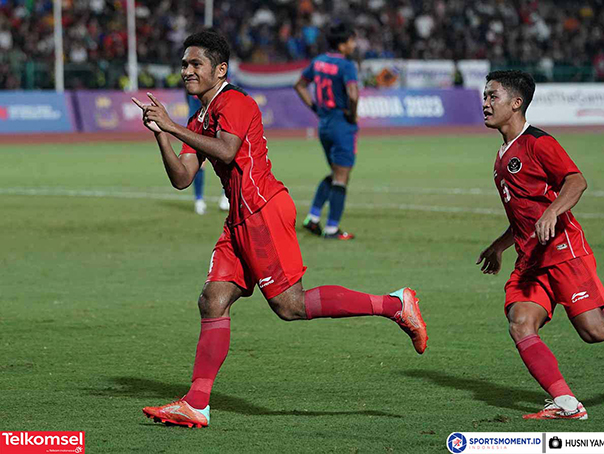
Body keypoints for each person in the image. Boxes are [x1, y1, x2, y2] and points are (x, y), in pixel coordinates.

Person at [132, 30, 427, 429]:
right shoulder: (197, 117)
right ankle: (196, 404)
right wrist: (162, 135)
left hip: (262, 212)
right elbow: (183, 178)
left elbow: (227, 150)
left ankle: (395, 305)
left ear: (219, 70)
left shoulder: (233, 102)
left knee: (291, 306)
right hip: (239, 218)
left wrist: (172, 125)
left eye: (195, 63)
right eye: (184, 63)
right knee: (213, 300)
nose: (186, 70)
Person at [477, 69, 604, 420]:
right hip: (531, 259)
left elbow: (576, 181)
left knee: (597, 331)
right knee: (521, 321)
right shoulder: (502, 156)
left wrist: (552, 213)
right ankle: (566, 403)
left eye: (493, 96)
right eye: (485, 96)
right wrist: (500, 245)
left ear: (516, 103)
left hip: (563, 252)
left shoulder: (538, 143)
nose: (486, 103)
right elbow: (524, 213)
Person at [294, 22, 359, 240]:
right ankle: (332, 229)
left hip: (324, 124)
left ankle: (313, 218)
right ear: (342, 44)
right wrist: (352, 115)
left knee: (335, 173)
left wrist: (315, 107)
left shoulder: (318, 61)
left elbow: (299, 85)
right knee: (342, 177)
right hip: (341, 123)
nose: (354, 44)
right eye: (351, 40)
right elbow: (352, 94)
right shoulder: (347, 65)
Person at [187, 93, 230, 214]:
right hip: (198, 127)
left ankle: (226, 197)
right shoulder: (195, 89)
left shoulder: (220, 90)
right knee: (200, 164)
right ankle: (199, 200)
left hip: (216, 126)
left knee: (226, 160)